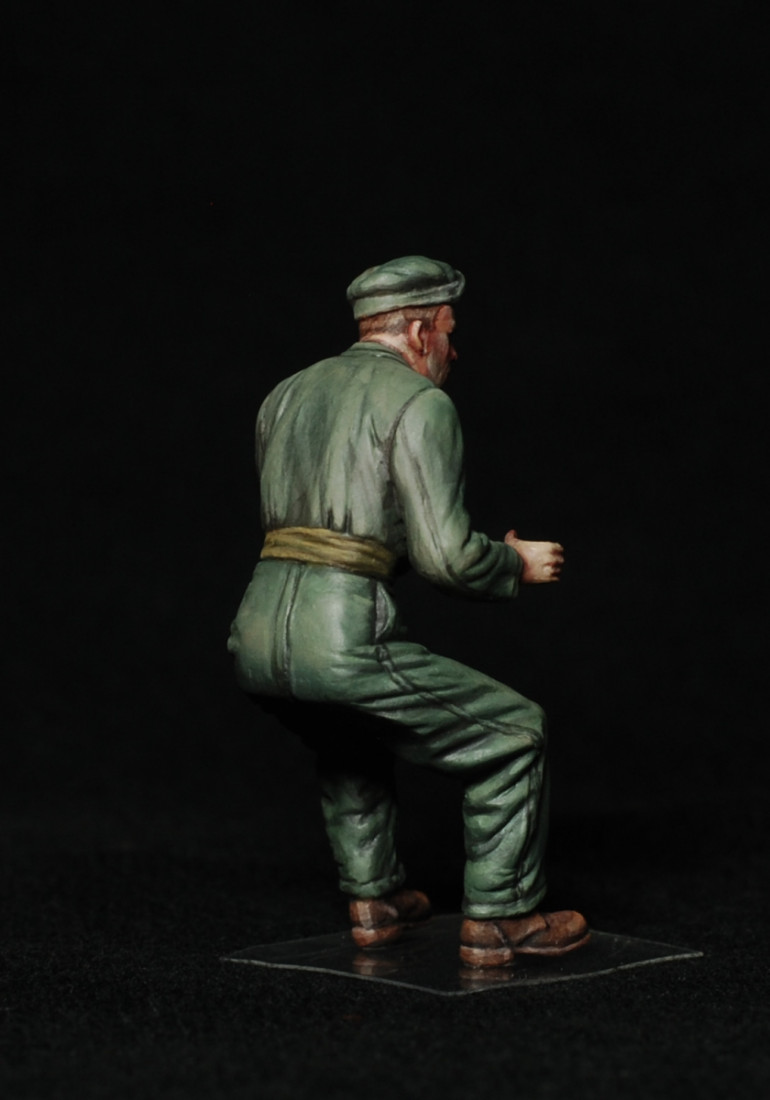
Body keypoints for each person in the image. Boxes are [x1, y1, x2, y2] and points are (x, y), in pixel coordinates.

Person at [227, 256, 588, 967]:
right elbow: (446, 558)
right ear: (421, 332)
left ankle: (375, 902)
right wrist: (514, 562)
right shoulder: (421, 404)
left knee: (349, 742)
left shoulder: (284, 395)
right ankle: (502, 917)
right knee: (515, 735)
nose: (454, 349)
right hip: (342, 634)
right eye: (449, 332)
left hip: (255, 633)